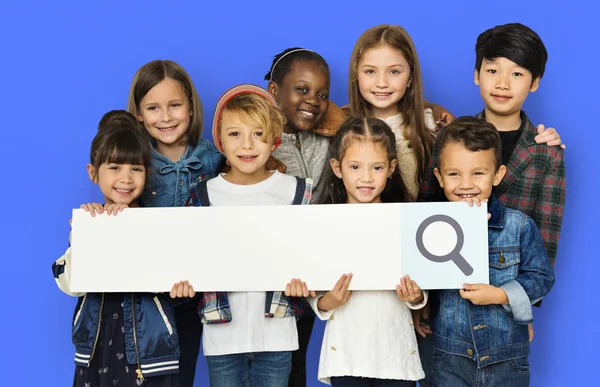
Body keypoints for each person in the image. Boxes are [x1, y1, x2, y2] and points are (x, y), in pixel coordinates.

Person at [186, 84, 311, 387]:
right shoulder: (205, 194)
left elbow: (308, 253)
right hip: (222, 335)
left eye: (258, 133)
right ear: (220, 141)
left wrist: (304, 280)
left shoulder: (294, 191)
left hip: (277, 334)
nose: (247, 144)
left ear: (274, 139)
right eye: (235, 134)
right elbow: (190, 255)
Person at [52, 110, 182, 386]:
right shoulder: (89, 222)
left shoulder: (158, 222)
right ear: (93, 172)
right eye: (115, 167)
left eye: (135, 168)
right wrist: (83, 233)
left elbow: (172, 277)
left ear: (147, 173)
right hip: (97, 346)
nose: (126, 178)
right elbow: (70, 284)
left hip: (151, 349)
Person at [429, 116, 555, 386]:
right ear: (439, 177)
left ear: (497, 174)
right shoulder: (430, 228)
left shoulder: (518, 225)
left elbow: (542, 278)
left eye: (478, 173)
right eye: (454, 173)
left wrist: (500, 294)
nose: (466, 184)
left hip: (506, 359)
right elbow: (423, 282)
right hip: (450, 358)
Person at [309, 116, 427, 386]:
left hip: (394, 347)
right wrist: (329, 301)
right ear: (337, 168)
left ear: (391, 168)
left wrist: (416, 295)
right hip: (347, 349)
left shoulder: (405, 221)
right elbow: (315, 290)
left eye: (376, 167)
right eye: (354, 166)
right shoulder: (325, 223)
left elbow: (422, 276)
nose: (365, 177)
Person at [127, 59, 223, 387]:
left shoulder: (215, 157)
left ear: (191, 107)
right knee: (143, 376)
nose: (165, 117)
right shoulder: (134, 161)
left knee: (182, 376)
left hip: (197, 293)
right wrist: (102, 211)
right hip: (148, 293)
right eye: (153, 108)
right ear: (139, 113)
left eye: (175, 105)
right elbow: (119, 198)